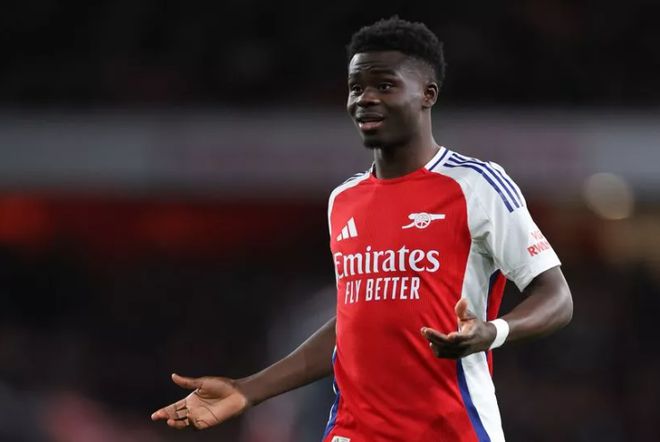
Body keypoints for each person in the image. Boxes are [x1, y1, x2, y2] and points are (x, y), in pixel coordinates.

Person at [151, 16, 573, 442]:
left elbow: (557, 297)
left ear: (428, 94)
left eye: (384, 86)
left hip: (452, 430)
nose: (365, 99)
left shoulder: (476, 185)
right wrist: (248, 389)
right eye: (356, 88)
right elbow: (353, 322)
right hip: (353, 431)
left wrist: (493, 332)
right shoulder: (344, 199)